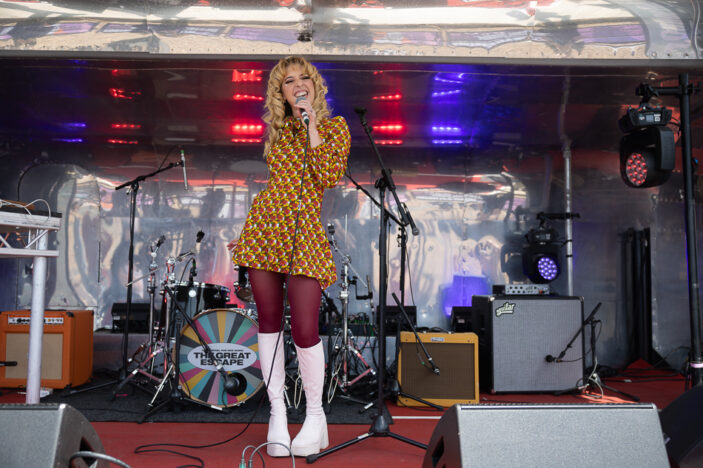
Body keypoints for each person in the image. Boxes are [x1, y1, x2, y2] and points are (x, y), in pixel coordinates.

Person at [228, 56, 350, 457]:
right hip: (265, 230)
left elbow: (328, 175)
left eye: (303, 78)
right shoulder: (278, 134)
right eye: (288, 81)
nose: (297, 84)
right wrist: (248, 233)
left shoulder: (333, 128)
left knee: (304, 328)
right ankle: (277, 415)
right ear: (279, 93)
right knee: (267, 323)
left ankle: (314, 416)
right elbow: (276, 187)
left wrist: (311, 123)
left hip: (304, 235)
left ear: (315, 84)